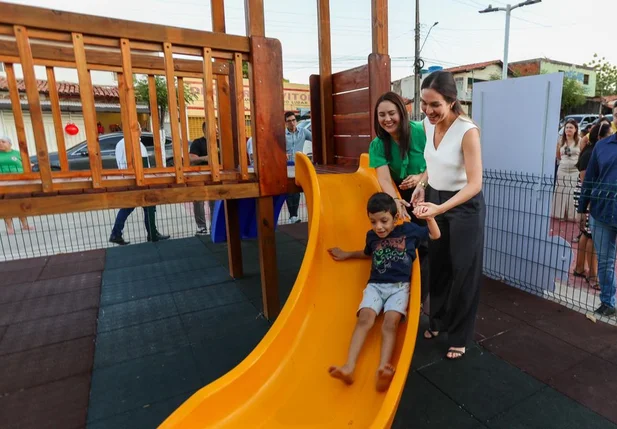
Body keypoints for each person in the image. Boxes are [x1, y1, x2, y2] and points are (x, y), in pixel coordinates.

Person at [327, 192, 440, 391]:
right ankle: (349, 366)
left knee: (390, 324)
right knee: (364, 319)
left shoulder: (408, 230)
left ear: (395, 218)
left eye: (384, 221)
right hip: (375, 286)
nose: (379, 227)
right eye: (373, 221)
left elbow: (435, 235)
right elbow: (366, 254)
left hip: (399, 288)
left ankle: (382, 369)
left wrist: (430, 218)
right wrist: (346, 254)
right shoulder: (371, 237)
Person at [411, 70, 484, 360]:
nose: (428, 111)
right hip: (436, 199)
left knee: (463, 271)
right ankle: (438, 322)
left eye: (435, 105)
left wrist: (441, 208)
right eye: (424, 104)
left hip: (464, 206)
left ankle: (460, 336)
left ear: (451, 101)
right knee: (438, 265)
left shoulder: (468, 131)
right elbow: (433, 163)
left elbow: (475, 183)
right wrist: (421, 183)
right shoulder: (429, 126)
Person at [368, 91, 431, 306]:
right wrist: (395, 200)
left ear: (402, 113)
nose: (387, 119)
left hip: (428, 190)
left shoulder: (419, 132)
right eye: (381, 115)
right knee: (405, 240)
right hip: (400, 194)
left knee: (428, 243)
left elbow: (436, 163)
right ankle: (402, 288)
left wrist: (421, 179)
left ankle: (421, 297)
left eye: (392, 113)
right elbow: (384, 178)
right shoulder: (378, 144)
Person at [577, 121, 617, 317]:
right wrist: (582, 208)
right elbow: (590, 179)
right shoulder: (602, 146)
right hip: (602, 212)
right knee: (605, 261)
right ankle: (608, 303)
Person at [109, 127, 170, 245]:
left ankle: (149, 233)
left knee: (141, 207)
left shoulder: (131, 142)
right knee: (144, 206)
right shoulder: (130, 143)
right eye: (138, 128)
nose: (141, 130)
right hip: (135, 181)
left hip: (135, 180)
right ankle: (151, 234)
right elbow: (133, 164)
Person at [573, 120, 612, 290]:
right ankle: (592, 274)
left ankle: (581, 268)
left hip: (591, 198)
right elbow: (585, 180)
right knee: (591, 236)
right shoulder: (592, 152)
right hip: (591, 200)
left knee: (587, 235)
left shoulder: (593, 150)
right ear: (601, 137)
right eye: (608, 134)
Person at [0, 136, 34, 235]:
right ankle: (10, 227)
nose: (0, 144)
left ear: (10, 144)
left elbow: (27, 164)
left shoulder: (17, 153)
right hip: (3, 183)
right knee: (6, 204)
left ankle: (24, 225)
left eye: (3, 142)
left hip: (19, 182)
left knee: (20, 203)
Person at [190, 122, 217, 235]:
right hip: (199, 176)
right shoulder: (197, 142)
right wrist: (206, 158)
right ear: (205, 130)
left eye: (216, 128)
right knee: (199, 201)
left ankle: (214, 225)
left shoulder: (219, 142)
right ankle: (201, 227)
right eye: (213, 128)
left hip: (215, 176)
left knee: (214, 201)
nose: (216, 131)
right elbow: (192, 158)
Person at [284, 111, 311, 223]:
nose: (292, 123)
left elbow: (317, 140)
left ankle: (293, 216)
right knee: (289, 189)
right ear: (285, 123)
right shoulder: (282, 134)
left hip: (298, 165)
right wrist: (282, 154)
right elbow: (274, 147)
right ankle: (292, 215)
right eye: (289, 121)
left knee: (296, 188)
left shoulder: (303, 132)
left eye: (294, 120)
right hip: (286, 165)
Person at [552, 119, 581, 221]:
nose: (568, 129)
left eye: (571, 128)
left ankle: (572, 216)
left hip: (575, 171)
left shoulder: (580, 141)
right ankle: (559, 214)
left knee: (572, 192)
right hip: (562, 169)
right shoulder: (561, 141)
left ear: (575, 129)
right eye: (567, 127)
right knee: (561, 190)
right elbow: (558, 156)